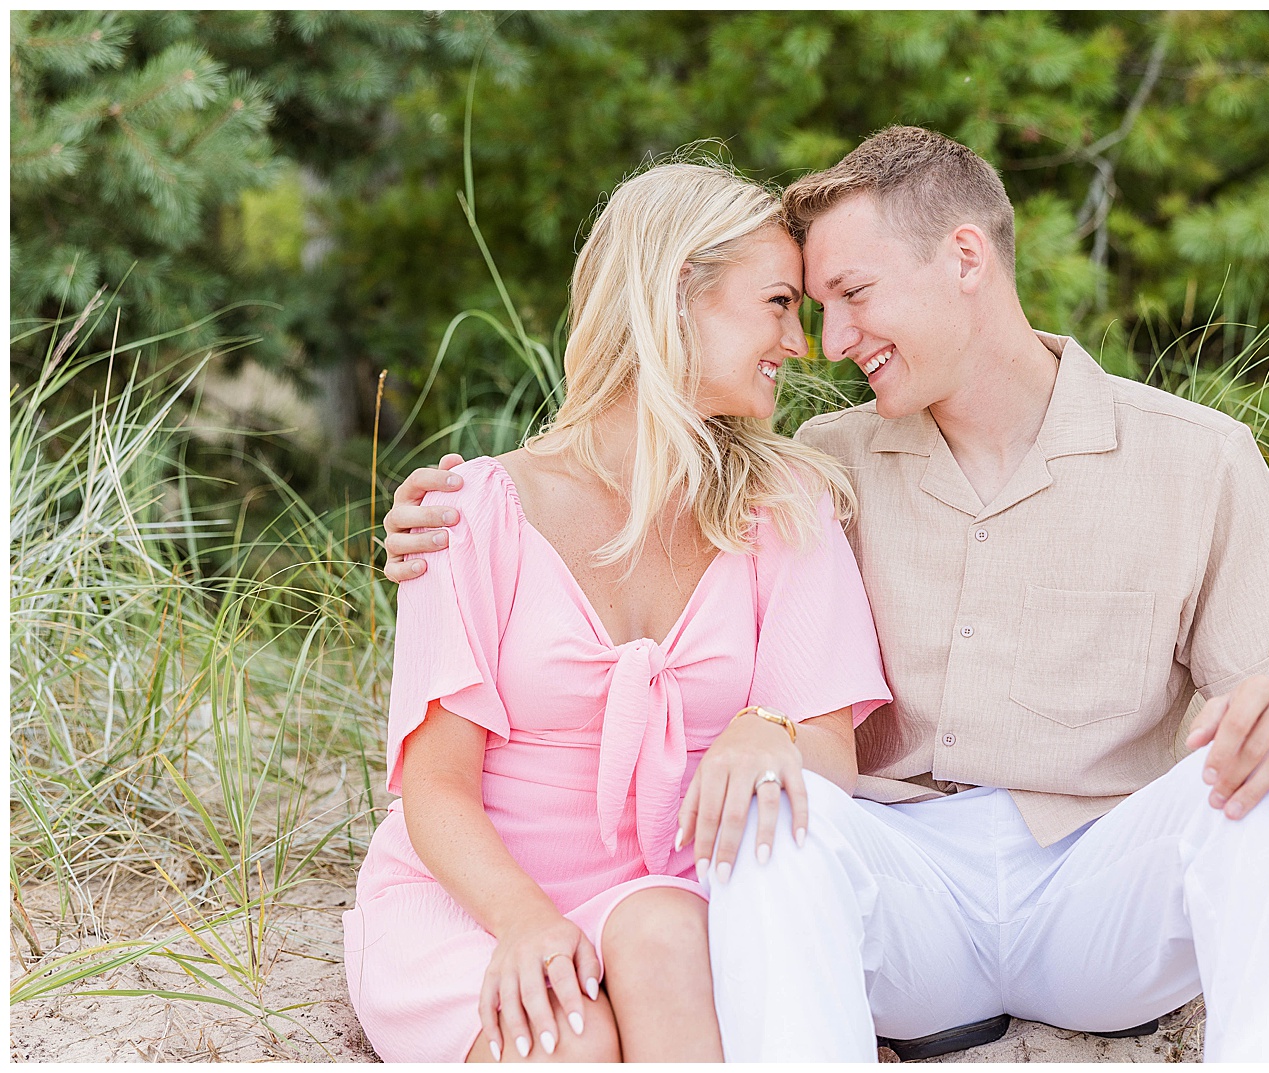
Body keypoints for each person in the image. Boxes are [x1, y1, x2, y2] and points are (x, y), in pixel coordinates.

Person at [383, 128, 1269, 1062]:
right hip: (901, 890)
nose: (829, 338)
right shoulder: (824, 462)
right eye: (804, 304)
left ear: (965, 257)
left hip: (1096, 879)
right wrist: (440, 524)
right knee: (779, 820)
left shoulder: (1195, 458)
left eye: (850, 294)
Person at [344, 161, 890, 1063]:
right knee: (573, 1038)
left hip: (677, 897)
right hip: (480, 900)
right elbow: (435, 788)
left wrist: (768, 730)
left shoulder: (786, 502)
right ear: (678, 296)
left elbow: (826, 750)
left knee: (662, 931)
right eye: (779, 303)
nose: (800, 344)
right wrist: (525, 924)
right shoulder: (473, 511)